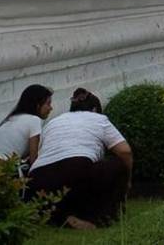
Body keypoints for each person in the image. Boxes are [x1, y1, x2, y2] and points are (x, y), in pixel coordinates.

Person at [27, 88, 132, 230]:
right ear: (95, 109)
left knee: (63, 183)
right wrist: (127, 181)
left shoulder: (53, 122)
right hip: (75, 169)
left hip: (37, 179)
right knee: (116, 165)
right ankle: (97, 217)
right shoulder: (99, 119)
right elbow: (125, 152)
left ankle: (62, 217)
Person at [0, 84, 52, 171]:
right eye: (48, 104)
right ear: (38, 105)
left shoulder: (12, 118)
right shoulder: (34, 120)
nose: (51, 108)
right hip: (5, 168)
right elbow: (34, 160)